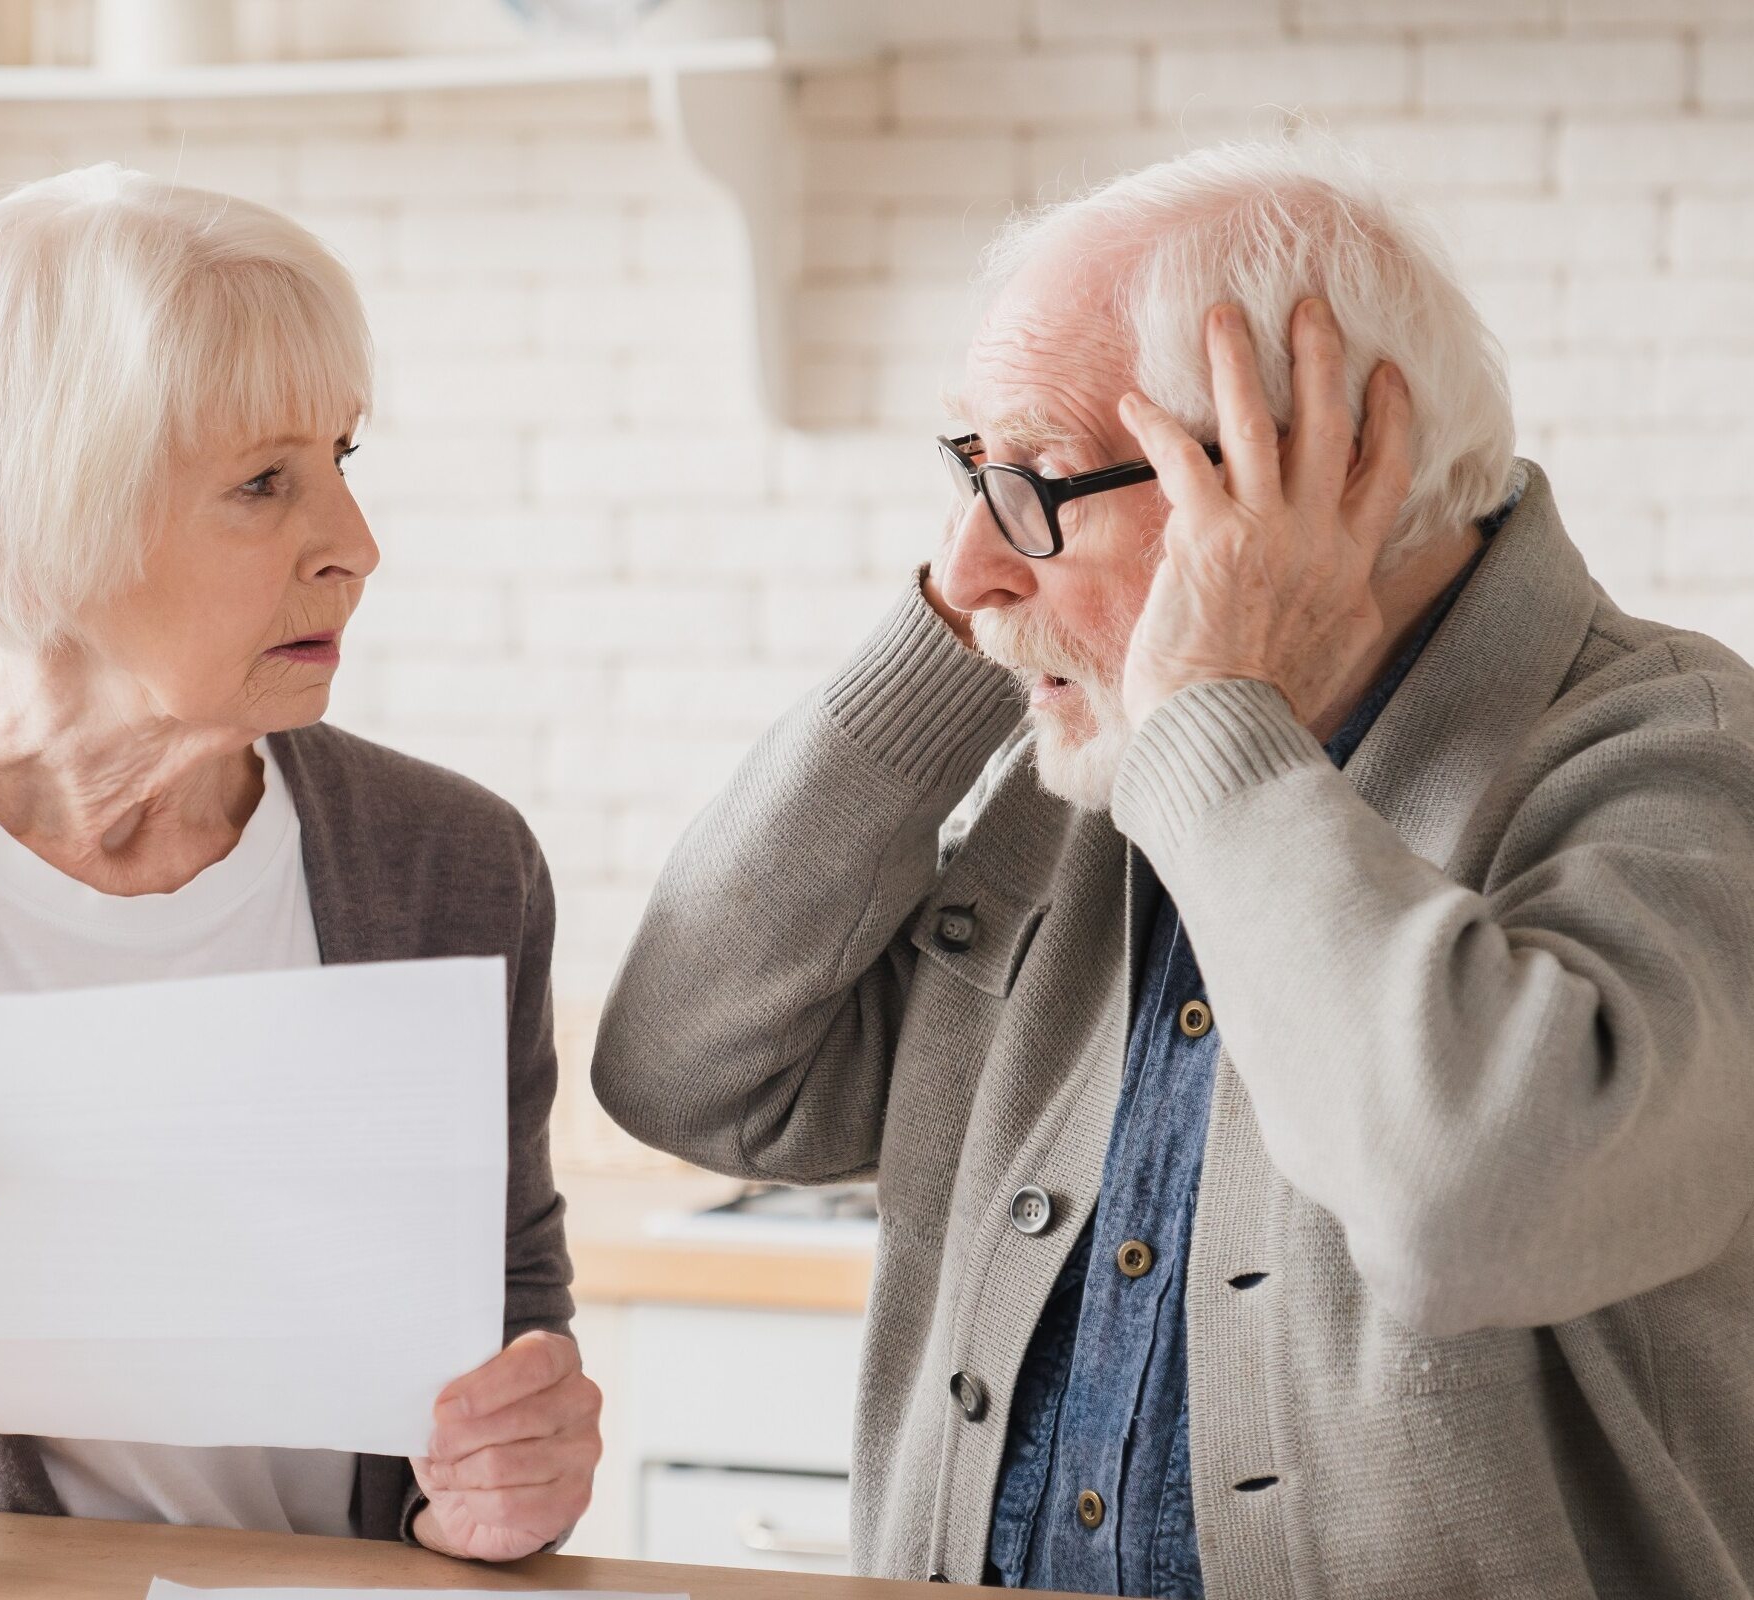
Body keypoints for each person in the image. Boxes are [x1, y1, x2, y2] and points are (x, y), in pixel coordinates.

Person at [591, 138, 1754, 1597]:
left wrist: (1213, 720)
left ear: (1302, 478)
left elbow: (1479, 1211)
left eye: (1029, 481)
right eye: (972, 471)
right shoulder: (1079, 785)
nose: (963, 566)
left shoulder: (1679, 762)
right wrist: (978, 652)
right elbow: (687, 1070)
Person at [0, 165, 598, 1565]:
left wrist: (515, 1480)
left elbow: (503, 1358)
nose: (356, 548)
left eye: (343, 460)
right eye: (264, 483)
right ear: (47, 516)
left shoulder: (452, 863)